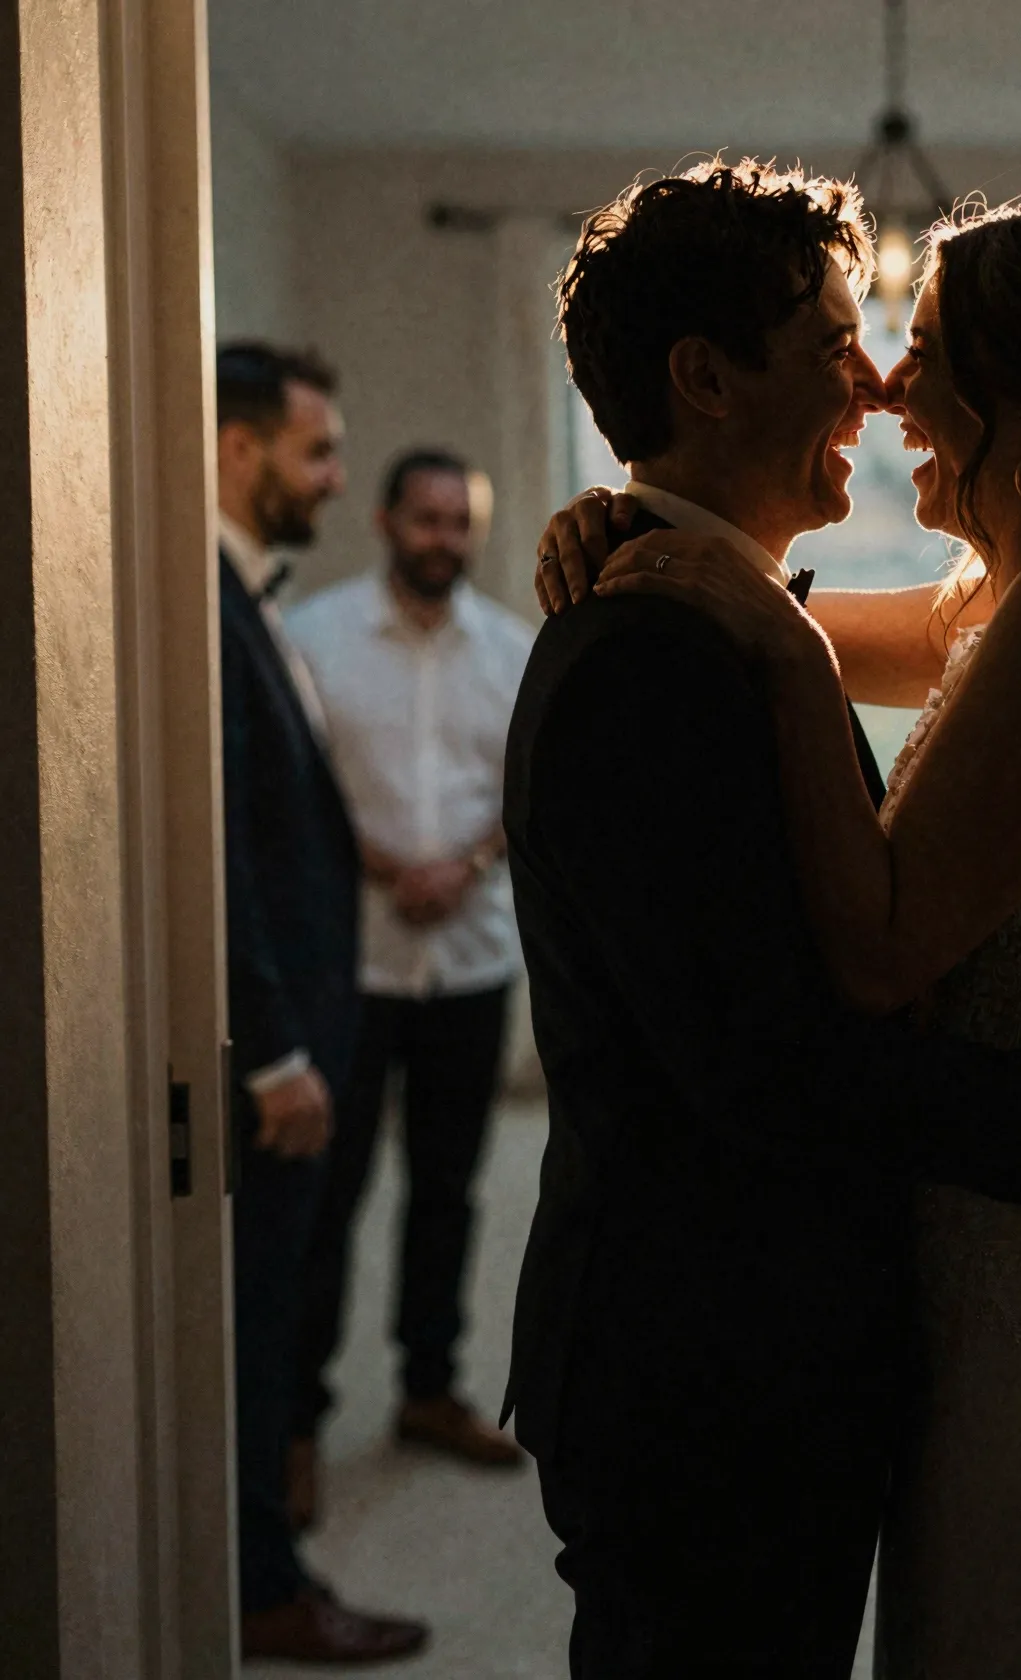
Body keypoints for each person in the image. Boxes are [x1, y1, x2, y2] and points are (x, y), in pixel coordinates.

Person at [553, 194, 1021, 1678]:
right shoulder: (1008, 600)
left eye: (928, 352)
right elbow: (773, 605)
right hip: (1010, 1245)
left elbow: (882, 950)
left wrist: (773, 644)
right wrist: (629, 527)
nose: (887, 385)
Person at [214, 341, 430, 1664]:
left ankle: (261, 1557)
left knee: (280, 1300)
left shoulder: (250, 600)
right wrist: (273, 1052)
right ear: (236, 448)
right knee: (256, 1319)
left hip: (312, 1021)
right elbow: (221, 856)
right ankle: (259, 1586)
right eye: (317, 453)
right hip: (274, 1048)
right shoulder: (205, 605)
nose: (338, 479)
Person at [285, 446, 537, 1528]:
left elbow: (528, 789)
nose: (444, 538)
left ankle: (428, 1391)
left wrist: (467, 864)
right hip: (354, 964)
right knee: (327, 1198)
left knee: (448, 1191)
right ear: (387, 522)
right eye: (426, 518)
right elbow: (295, 791)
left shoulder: (512, 650)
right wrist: (389, 868)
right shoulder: (314, 638)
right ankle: (295, 1425)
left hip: (470, 960)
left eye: (459, 520)